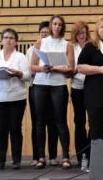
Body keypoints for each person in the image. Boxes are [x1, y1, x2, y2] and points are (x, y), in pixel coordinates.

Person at [29, 15, 75, 169]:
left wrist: (54, 68)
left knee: (60, 121)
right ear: (50, 26)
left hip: (58, 85)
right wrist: (43, 68)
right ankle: (41, 156)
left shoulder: (67, 45)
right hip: (41, 84)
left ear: (63, 27)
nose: (57, 27)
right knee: (40, 121)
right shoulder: (40, 42)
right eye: (54, 24)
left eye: (60, 24)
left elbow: (71, 69)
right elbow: (33, 66)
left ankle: (66, 157)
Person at [0, 28, 30, 170]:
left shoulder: (21, 57)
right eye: (6, 37)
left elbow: (28, 76)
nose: (8, 40)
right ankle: (0, 160)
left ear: (16, 42)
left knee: (15, 128)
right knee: (0, 130)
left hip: (17, 97)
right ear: (1, 40)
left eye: (11, 38)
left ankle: (16, 160)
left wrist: (19, 73)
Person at [26, 21, 59, 167]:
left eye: (47, 33)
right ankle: (37, 156)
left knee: (52, 123)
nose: (44, 35)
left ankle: (52, 155)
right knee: (37, 123)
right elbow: (29, 70)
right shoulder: (31, 49)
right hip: (36, 87)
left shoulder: (55, 47)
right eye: (42, 33)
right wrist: (40, 68)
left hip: (53, 87)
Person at [68, 21, 91, 165]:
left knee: (93, 122)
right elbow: (69, 69)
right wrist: (76, 69)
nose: (81, 36)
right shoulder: (71, 47)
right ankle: (81, 156)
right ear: (74, 35)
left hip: (91, 88)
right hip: (77, 88)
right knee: (79, 122)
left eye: (83, 32)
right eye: (78, 33)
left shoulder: (92, 46)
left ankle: (91, 154)